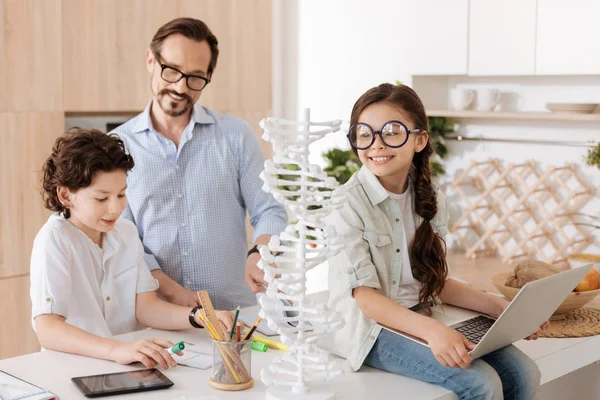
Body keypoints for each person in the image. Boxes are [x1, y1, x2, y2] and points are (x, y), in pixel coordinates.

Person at [321, 83, 547, 400]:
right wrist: (435, 332)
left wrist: (501, 308)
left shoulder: (429, 195)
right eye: (364, 134)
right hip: (369, 331)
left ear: (420, 139)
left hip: (422, 313)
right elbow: (367, 300)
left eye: (391, 132)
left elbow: (435, 282)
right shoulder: (346, 204)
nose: (376, 145)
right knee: (480, 384)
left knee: (524, 373)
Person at [112, 17, 287, 310]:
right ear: (150, 61)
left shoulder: (235, 136)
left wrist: (260, 252)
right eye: (171, 71)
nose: (181, 87)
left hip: (235, 315)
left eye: (195, 77)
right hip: (156, 319)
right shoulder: (117, 146)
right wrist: (172, 293)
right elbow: (123, 238)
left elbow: (268, 208)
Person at [30, 128, 234, 370]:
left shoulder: (125, 233)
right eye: (102, 198)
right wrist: (116, 349)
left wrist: (198, 316)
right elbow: (48, 329)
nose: (115, 208)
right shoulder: (55, 239)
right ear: (66, 195)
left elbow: (146, 308)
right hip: (75, 367)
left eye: (121, 194)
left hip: (127, 363)